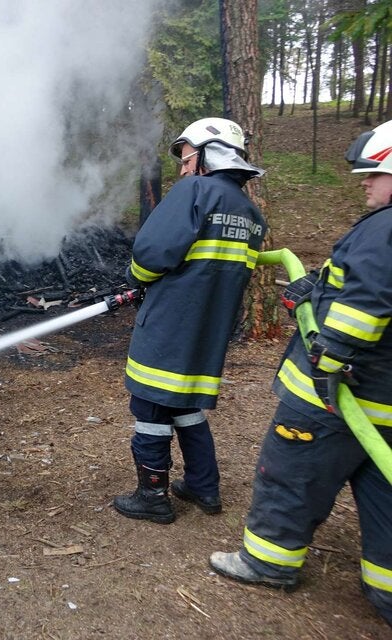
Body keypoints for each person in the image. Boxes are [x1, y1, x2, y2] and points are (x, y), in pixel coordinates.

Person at [210, 121, 392, 626]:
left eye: (374, 173)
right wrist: (313, 287)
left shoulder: (386, 227)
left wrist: (327, 356)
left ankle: (268, 562)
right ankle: (387, 593)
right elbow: (353, 284)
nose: (365, 182)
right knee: (384, 497)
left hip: (336, 398)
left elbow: (368, 304)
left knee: (290, 473)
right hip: (384, 406)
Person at [114, 117, 267, 525]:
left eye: (186, 159)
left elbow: (151, 253)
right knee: (186, 406)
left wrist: (137, 281)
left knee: (149, 406)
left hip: (169, 326)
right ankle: (204, 485)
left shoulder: (196, 191)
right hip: (209, 334)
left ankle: (153, 497)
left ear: (208, 157)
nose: (182, 169)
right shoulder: (251, 214)